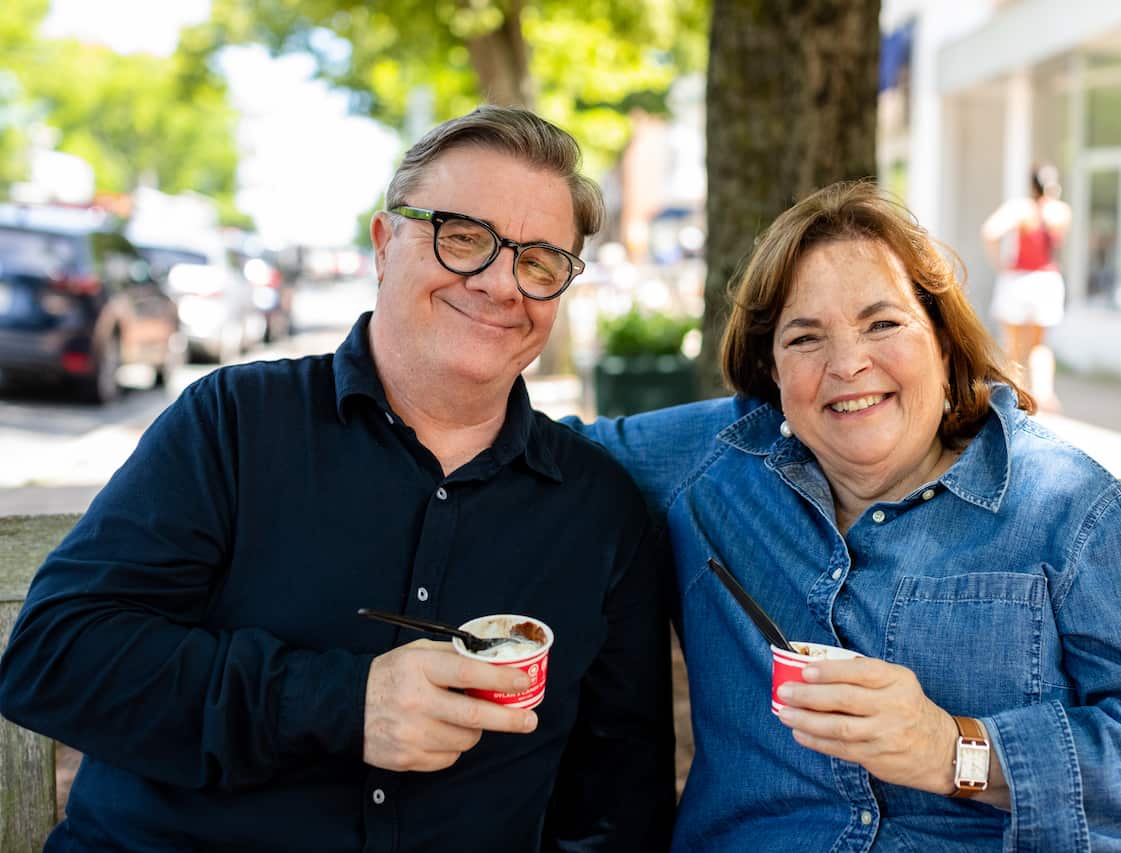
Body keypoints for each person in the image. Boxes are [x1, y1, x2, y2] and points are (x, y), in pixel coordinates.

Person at [0, 106, 674, 852]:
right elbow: (54, 657)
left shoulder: (598, 507)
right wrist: (347, 703)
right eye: (462, 237)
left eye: (541, 261)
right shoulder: (234, 422)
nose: (500, 283)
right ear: (385, 244)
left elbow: (616, 807)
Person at [566, 181, 1121, 850]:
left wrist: (955, 750)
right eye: (805, 338)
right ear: (771, 370)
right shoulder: (716, 463)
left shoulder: (1062, 503)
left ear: (943, 342)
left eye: (882, 324)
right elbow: (527, 451)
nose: (848, 364)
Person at [981, 163, 1072, 412]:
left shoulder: (1021, 208)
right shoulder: (1060, 211)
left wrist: (1000, 263)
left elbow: (990, 231)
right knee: (1040, 344)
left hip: (1019, 279)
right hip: (1047, 280)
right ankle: (1044, 393)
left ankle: (1015, 394)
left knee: (1014, 345)